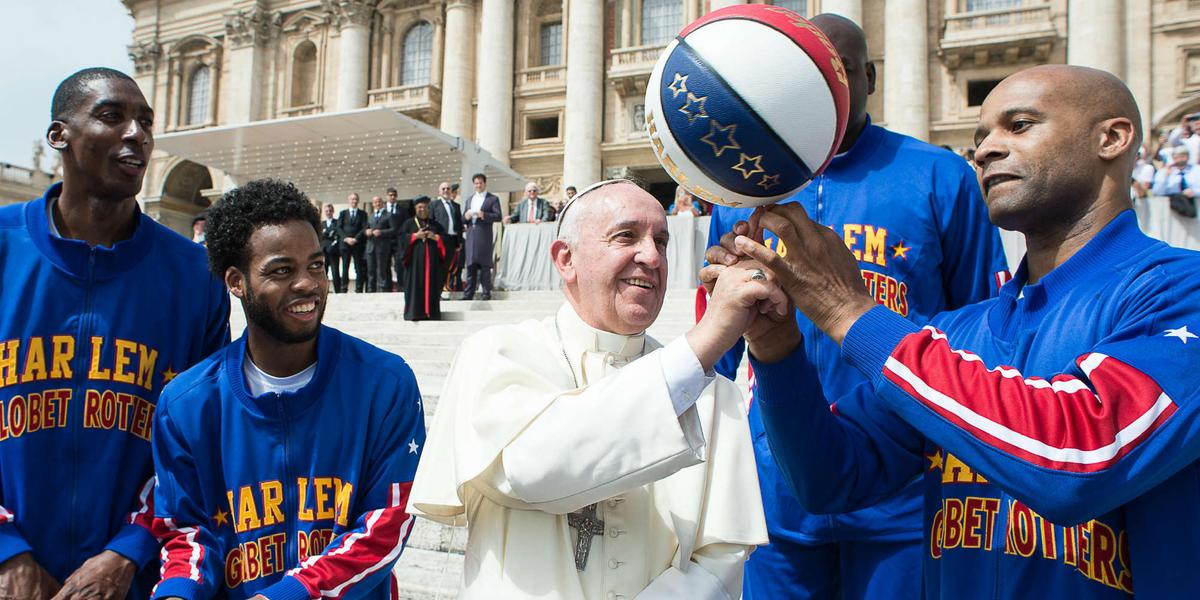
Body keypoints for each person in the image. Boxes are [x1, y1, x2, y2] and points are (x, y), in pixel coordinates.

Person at [710, 64, 1200, 597]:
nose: (987, 149)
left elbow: (1080, 455)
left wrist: (847, 311)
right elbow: (829, 477)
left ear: (1112, 137)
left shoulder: (1179, 292)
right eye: (980, 136)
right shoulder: (961, 330)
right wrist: (776, 346)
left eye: (1019, 124)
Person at [702, 14, 1009, 600]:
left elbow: (981, 326)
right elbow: (718, 340)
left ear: (867, 76)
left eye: (835, 71)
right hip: (778, 482)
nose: (819, 87)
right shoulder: (743, 189)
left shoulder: (940, 175)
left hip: (902, 489)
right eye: (801, 73)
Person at [408, 179, 770, 599]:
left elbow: (718, 563)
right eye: (626, 236)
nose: (652, 256)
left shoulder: (713, 395)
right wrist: (708, 337)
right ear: (566, 259)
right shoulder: (496, 353)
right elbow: (533, 470)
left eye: (662, 242)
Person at [0, 67, 230, 600]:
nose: (136, 134)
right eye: (112, 116)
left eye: (145, 122)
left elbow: (200, 438)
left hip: (131, 579)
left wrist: (130, 548)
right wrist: (7, 550)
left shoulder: (196, 278)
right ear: (59, 135)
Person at [150, 179, 424, 599]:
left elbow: (386, 524)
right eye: (282, 270)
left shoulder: (385, 383)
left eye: (316, 265)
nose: (307, 284)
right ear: (236, 282)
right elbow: (186, 533)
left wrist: (289, 594)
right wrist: (177, 593)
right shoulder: (187, 403)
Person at [400, 196, 447, 321]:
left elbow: (447, 242)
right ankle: (414, 313)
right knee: (415, 289)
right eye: (420, 207)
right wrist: (414, 236)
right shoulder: (408, 224)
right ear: (415, 208)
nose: (423, 210)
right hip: (414, 266)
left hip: (432, 266)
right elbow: (401, 241)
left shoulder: (436, 225)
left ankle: (432, 314)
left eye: (425, 207)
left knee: (432, 288)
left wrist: (436, 237)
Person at [461, 173, 501, 301]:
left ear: (485, 183)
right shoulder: (469, 199)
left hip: (484, 234)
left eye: (480, 183)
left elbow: (498, 216)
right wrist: (465, 217)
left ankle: (485, 293)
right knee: (471, 266)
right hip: (471, 234)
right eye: (476, 183)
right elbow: (462, 220)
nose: (478, 185)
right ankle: (468, 294)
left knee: (485, 265)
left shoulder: (492, 199)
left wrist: (483, 214)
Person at [430, 181, 464, 295]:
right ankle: (437, 291)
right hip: (440, 239)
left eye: (448, 188)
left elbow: (459, 224)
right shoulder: (434, 205)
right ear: (439, 192)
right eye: (443, 189)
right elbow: (430, 222)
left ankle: (445, 287)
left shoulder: (456, 206)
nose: (446, 191)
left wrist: (459, 241)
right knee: (438, 266)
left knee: (449, 266)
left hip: (452, 240)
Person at [337, 193, 368, 293]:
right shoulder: (343, 213)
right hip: (345, 244)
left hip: (357, 244)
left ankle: (358, 288)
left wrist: (355, 239)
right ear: (349, 200)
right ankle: (343, 288)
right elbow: (338, 227)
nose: (354, 201)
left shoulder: (363, 214)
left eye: (356, 199)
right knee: (345, 267)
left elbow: (364, 227)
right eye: (352, 199)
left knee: (358, 267)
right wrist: (346, 238)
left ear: (358, 201)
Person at [365, 195, 395, 292]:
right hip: (371, 247)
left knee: (381, 270)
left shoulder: (389, 215)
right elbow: (365, 229)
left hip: (382, 247)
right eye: (375, 202)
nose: (377, 204)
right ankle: (370, 289)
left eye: (379, 202)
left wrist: (381, 232)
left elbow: (393, 230)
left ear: (382, 203)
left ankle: (382, 289)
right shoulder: (371, 216)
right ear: (373, 204)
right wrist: (367, 232)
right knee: (370, 270)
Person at [386, 187, 413, 292]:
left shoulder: (403, 210)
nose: (392, 197)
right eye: (390, 195)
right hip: (385, 242)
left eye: (394, 195)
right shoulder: (383, 209)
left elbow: (406, 225)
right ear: (387, 196)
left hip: (398, 242)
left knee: (399, 265)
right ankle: (387, 287)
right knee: (385, 265)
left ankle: (402, 286)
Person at [320, 202, 342, 293]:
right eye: (327, 211)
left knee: (335, 272)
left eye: (330, 211)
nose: (328, 212)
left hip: (333, 251)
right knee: (324, 272)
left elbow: (337, 234)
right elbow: (320, 236)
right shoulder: (322, 224)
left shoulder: (337, 222)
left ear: (333, 211)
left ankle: (338, 290)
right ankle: (325, 291)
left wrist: (327, 233)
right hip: (324, 251)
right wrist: (328, 233)